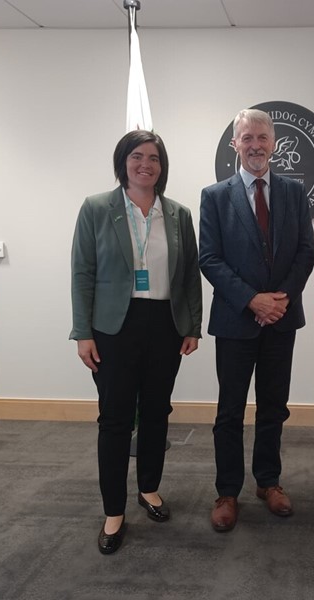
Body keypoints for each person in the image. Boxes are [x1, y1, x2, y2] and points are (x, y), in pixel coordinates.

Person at [70, 129, 203, 554]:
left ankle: (148, 488)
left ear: (163, 167)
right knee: (114, 419)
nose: (146, 164)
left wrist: (192, 325)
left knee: (156, 412)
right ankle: (114, 510)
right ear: (123, 161)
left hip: (164, 323)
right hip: (114, 327)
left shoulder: (178, 214)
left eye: (155, 158)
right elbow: (82, 273)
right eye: (137, 156)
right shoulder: (96, 208)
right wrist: (83, 332)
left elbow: (189, 276)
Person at [199, 108, 314, 532]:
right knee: (229, 411)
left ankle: (268, 481)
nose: (255, 145)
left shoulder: (293, 192)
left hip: (281, 321)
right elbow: (209, 259)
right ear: (235, 144)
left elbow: (306, 251)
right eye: (246, 138)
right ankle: (227, 490)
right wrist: (252, 301)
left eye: (262, 137)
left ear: (274, 142)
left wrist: (278, 300)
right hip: (235, 320)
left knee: (273, 408)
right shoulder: (215, 196)